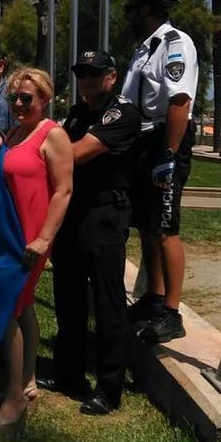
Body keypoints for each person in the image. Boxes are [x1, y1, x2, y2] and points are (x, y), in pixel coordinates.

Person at [44, 51, 142, 416]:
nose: (85, 79)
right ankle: (68, 374)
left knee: (108, 304)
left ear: (111, 77)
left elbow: (76, 154)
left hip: (104, 214)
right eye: (81, 73)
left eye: (94, 73)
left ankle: (109, 385)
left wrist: (40, 153)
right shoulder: (76, 112)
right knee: (68, 300)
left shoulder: (121, 113)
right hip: (72, 213)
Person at [0, 67, 73, 437]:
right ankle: (29, 378)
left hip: (32, 236)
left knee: (9, 310)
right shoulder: (15, 132)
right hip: (12, 231)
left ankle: (14, 399)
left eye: (27, 98)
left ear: (45, 100)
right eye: (14, 98)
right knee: (25, 307)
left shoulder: (53, 134)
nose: (19, 104)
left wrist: (43, 239)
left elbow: (63, 191)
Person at [119, 0, 199, 344]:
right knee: (148, 226)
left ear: (147, 9)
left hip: (165, 138)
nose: (127, 15)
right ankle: (153, 298)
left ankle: (172, 311)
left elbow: (179, 101)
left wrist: (169, 153)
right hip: (143, 140)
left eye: (131, 8)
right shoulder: (143, 49)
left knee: (166, 226)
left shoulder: (174, 43)